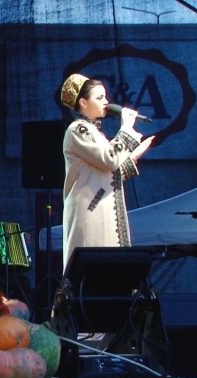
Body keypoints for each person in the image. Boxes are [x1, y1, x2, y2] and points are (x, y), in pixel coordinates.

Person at [59, 74, 153, 271]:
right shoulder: (78, 129)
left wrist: (134, 155)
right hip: (91, 208)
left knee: (110, 269)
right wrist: (126, 128)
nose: (106, 102)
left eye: (105, 97)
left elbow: (107, 172)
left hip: (101, 205)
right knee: (93, 268)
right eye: (100, 97)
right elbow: (109, 159)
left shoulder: (94, 132)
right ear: (83, 102)